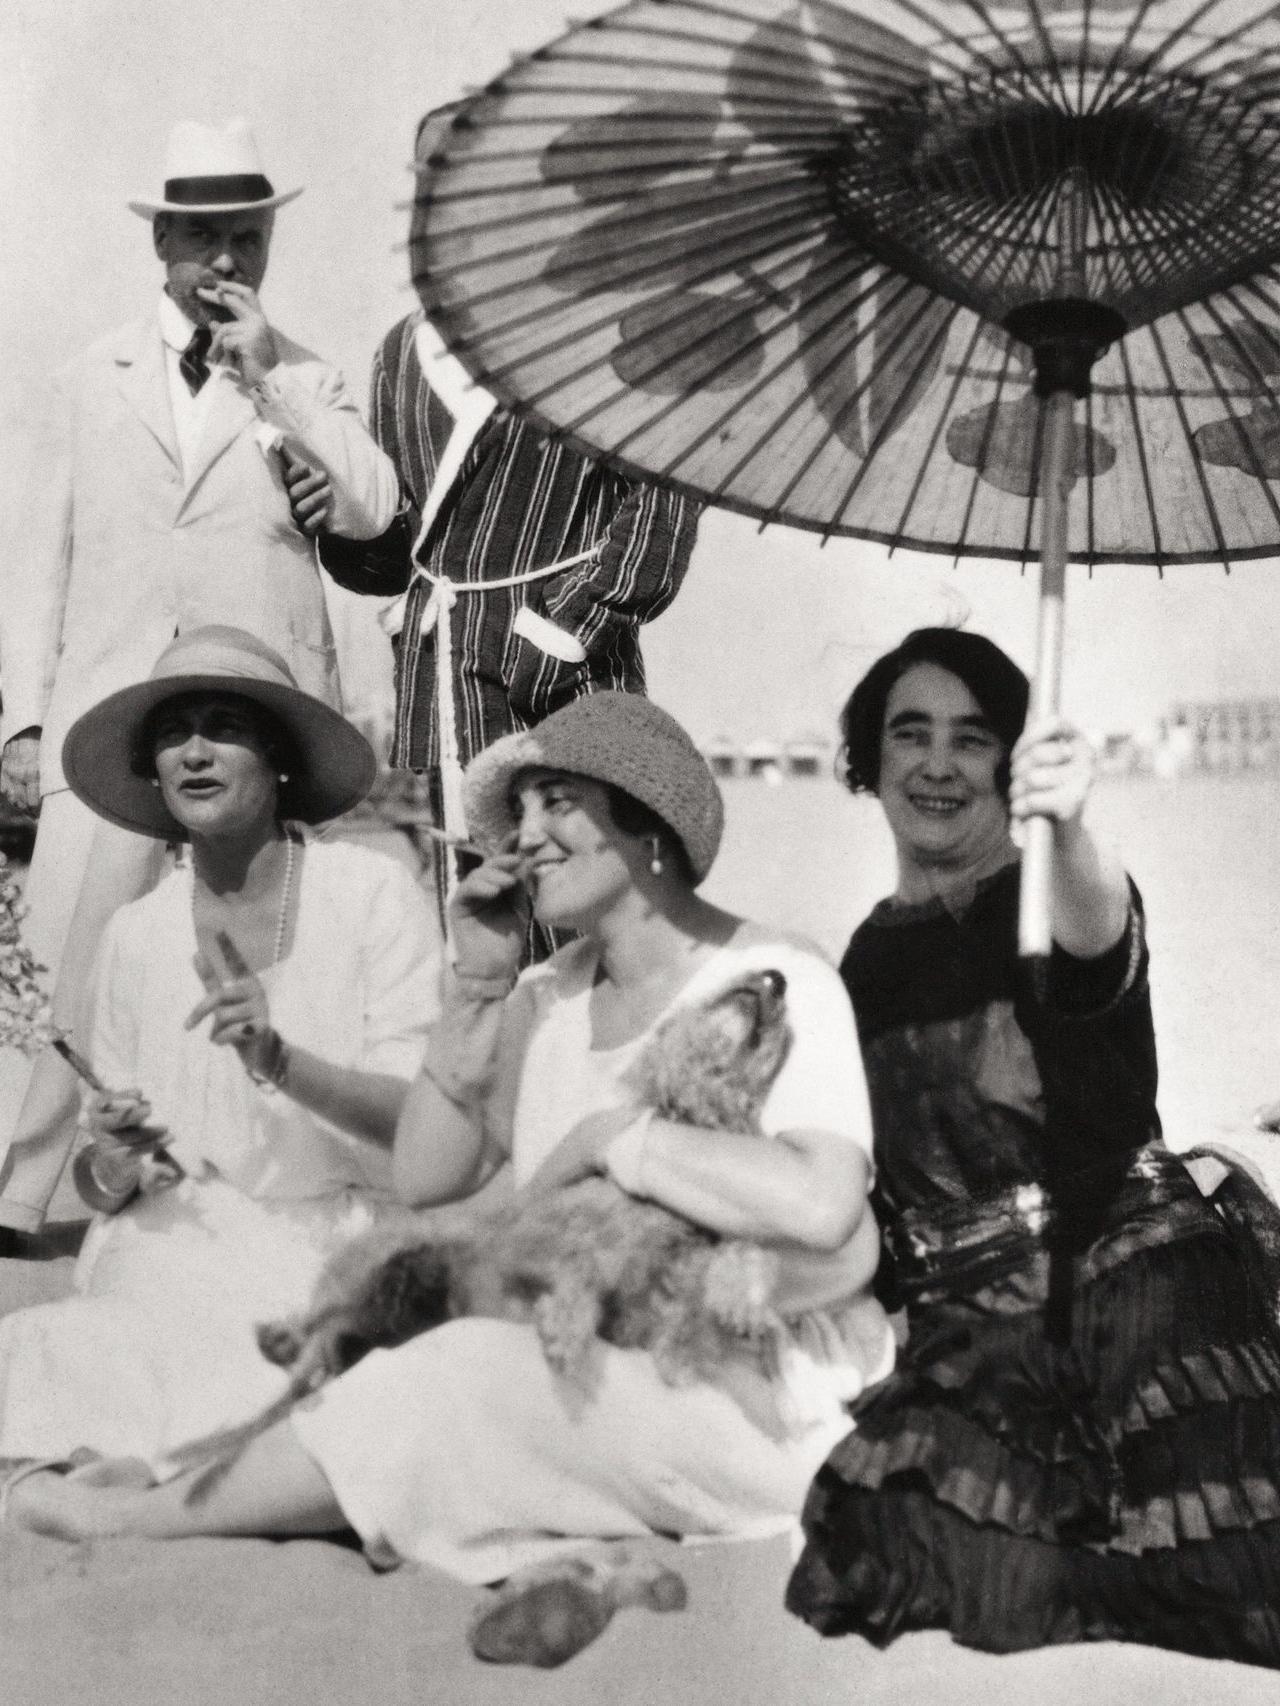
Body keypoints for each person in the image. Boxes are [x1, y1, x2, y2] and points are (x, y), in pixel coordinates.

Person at [5, 691, 892, 1652]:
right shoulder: (546, 998)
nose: (527, 837)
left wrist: (614, 1142)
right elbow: (429, 1174)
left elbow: (823, 1202)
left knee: (446, 1380)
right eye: (522, 813)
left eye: (560, 803)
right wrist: (475, 987)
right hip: (593, 1361)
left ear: (650, 824)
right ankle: (578, 1565)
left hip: (756, 1392)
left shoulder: (770, 972)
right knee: (411, 1364)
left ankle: (134, 1519)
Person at [785, 626, 1280, 1668]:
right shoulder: (861, 960)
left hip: (1128, 1277)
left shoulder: (1051, 891)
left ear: (1011, 767)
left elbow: (1100, 937)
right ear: (865, 762)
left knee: (1216, 1548)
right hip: (967, 1321)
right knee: (882, 1536)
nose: (934, 762)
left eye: (971, 740)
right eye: (907, 733)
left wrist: (1072, 822)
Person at [0, 119, 400, 1234]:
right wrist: (25, 721)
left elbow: (373, 509)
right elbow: (36, 559)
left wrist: (277, 384)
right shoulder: (88, 377)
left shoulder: (309, 373)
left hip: (259, 707)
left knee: (262, 936)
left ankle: (253, 1175)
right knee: (86, 943)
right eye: (206, 239)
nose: (226, 263)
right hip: (114, 706)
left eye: (248, 239)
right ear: (162, 242)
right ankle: (26, 1191)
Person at [0, 626, 439, 1468]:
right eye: (173, 734)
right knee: (54, 1351)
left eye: (223, 728)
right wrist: (121, 1159)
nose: (194, 754)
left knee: (277, 1367)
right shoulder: (137, 933)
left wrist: (282, 1062)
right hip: (172, 1246)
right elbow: (105, 1182)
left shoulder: (372, 894)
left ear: (278, 759)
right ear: (154, 773)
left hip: (334, 1240)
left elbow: (419, 1126)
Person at [313, 104, 701, 939]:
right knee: (469, 913)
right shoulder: (398, 353)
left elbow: (663, 500)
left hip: (565, 669)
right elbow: (398, 544)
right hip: (439, 673)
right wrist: (336, 515)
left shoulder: (595, 325)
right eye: (430, 176)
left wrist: (568, 631)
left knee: (592, 895)